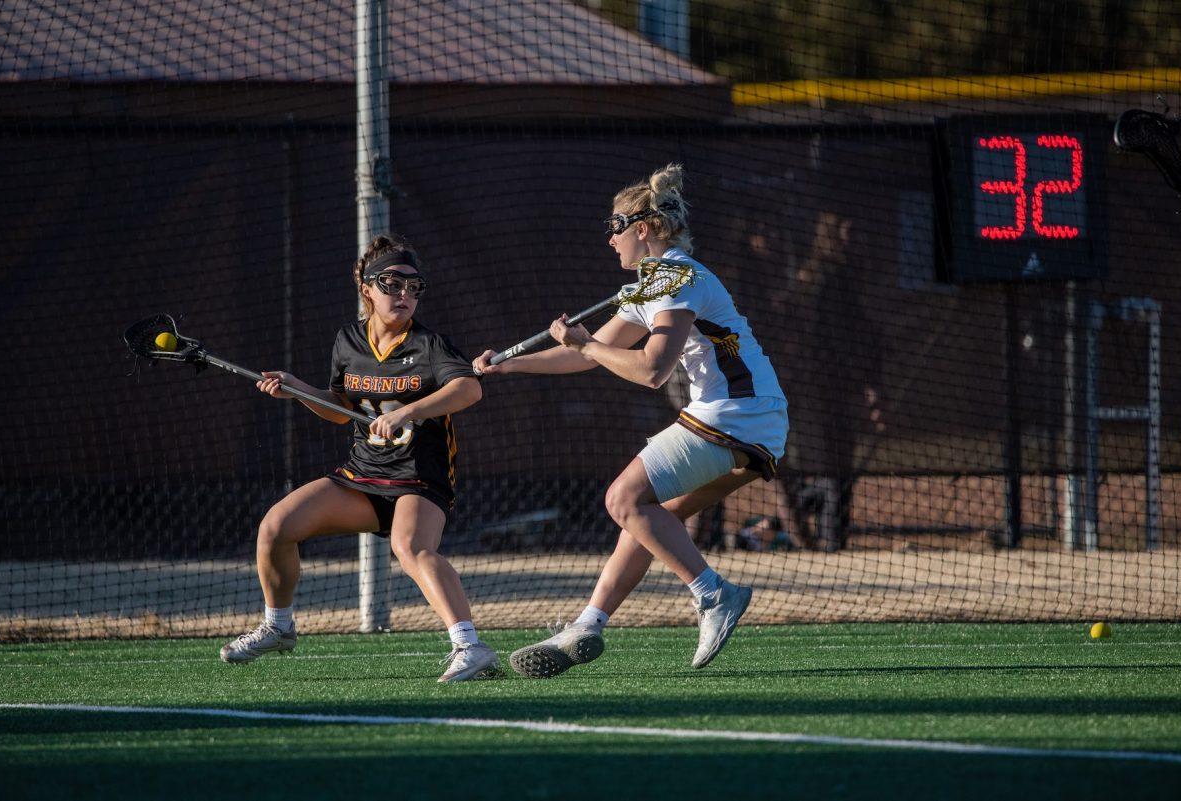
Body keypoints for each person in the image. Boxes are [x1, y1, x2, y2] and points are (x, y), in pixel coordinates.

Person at [474, 164, 789, 677]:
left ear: (642, 229)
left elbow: (650, 371)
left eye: (615, 227)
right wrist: (507, 366)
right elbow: (584, 358)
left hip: (734, 414)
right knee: (644, 519)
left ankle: (715, 595)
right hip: (757, 421)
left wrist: (588, 343)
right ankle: (588, 623)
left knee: (621, 499)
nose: (610, 240)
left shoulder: (674, 277)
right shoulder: (654, 283)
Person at [220, 233, 499, 683]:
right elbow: (339, 411)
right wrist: (296, 389)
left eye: (413, 287)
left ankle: (471, 646)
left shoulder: (429, 345)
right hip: (361, 476)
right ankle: (279, 625)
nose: (404, 295)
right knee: (276, 526)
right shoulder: (348, 340)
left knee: (410, 547)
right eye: (392, 284)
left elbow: (470, 388)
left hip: (419, 479)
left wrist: (410, 410)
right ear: (367, 289)